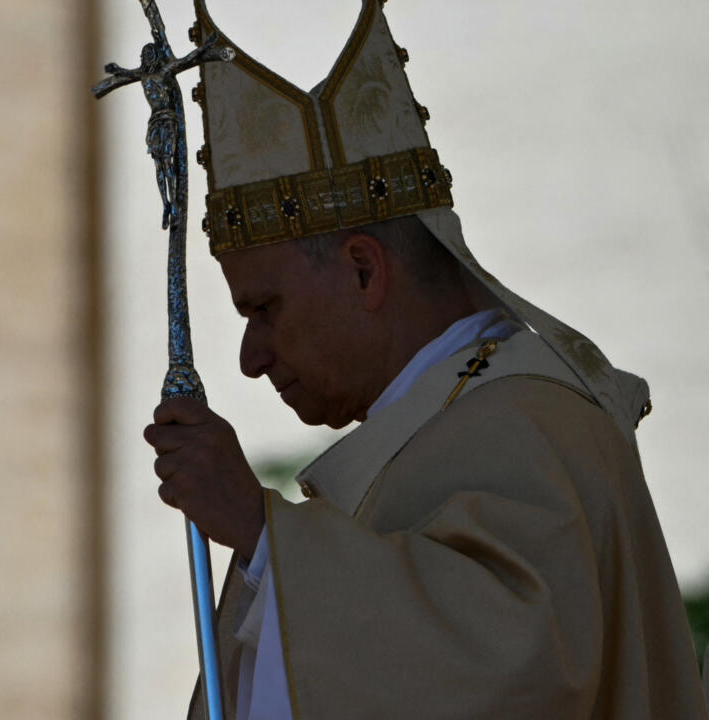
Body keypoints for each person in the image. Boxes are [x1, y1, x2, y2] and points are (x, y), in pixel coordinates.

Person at [144, 1, 709, 718]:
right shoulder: (434, 429)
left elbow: (512, 674)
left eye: (264, 309)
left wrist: (259, 531)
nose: (251, 358)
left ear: (363, 271)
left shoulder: (529, 426)